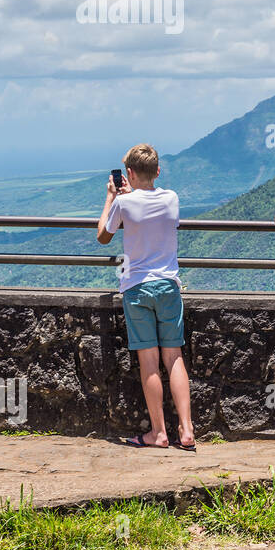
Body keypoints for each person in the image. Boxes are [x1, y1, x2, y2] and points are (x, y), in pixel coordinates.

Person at [97, 143, 194, 451]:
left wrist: (112, 197)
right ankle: (187, 430)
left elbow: (103, 235)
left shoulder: (123, 205)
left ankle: (159, 433)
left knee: (149, 361)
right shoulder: (172, 198)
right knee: (174, 357)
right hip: (168, 285)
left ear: (129, 173)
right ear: (158, 171)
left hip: (137, 288)